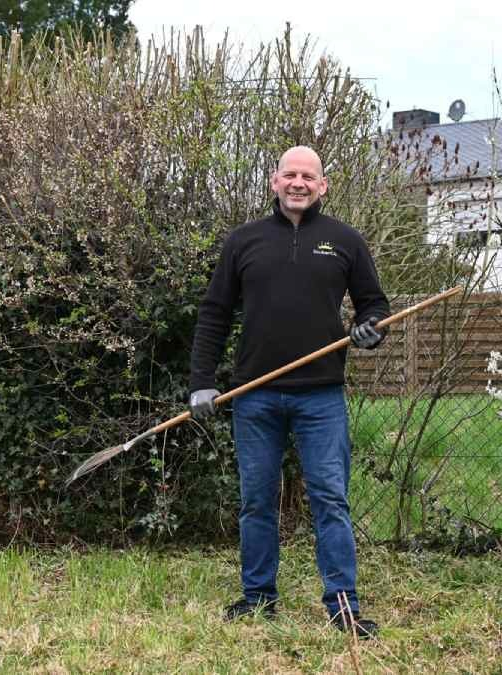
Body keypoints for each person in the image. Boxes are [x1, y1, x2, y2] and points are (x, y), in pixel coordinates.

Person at [188, 145, 390, 638]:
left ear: (322, 186)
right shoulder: (244, 241)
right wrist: (202, 382)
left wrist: (370, 330)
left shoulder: (344, 240)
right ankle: (258, 599)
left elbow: (375, 308)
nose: (298, 183)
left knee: (330, 498)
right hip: (254, 396)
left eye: (309, 176)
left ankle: (343, 607)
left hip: (321, 395)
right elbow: (214, 314)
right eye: (290, 174)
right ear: (274, 181)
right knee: (257, 499)